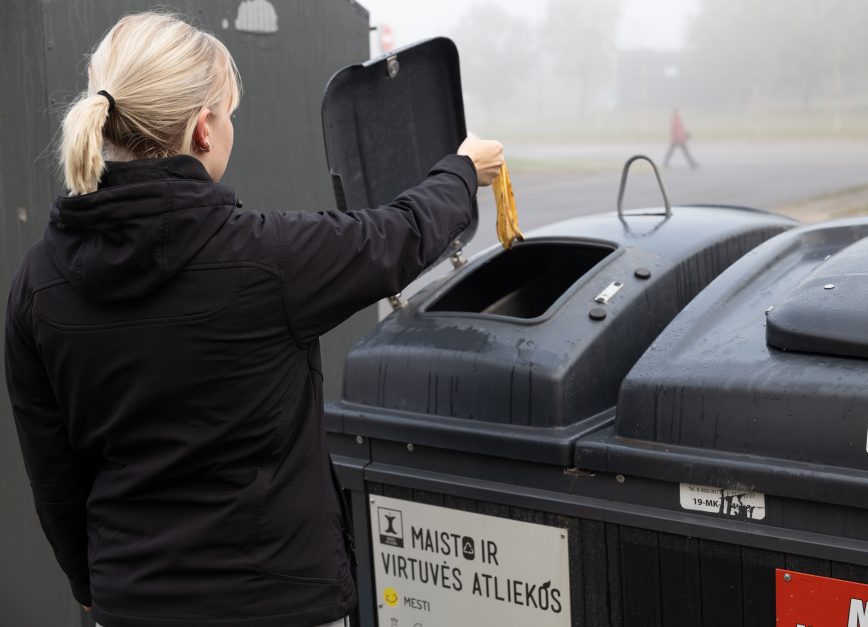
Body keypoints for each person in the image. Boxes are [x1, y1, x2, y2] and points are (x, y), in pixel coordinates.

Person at [3, 12, 503, 627]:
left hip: (131, 604)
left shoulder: (36, 283)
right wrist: (461, 170)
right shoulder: (269, 260)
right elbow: (398, 236)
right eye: (229, 113)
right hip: (279, 606)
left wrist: (92, 584)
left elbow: (52, 473)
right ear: (203, 130)